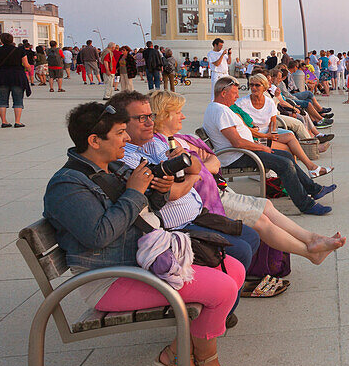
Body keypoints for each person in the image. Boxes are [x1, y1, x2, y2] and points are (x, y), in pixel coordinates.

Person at [45, 101, 242, 366]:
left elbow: (143, 211)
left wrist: (158, 192)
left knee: (233, 268)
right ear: (94, 141)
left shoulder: (112, 167)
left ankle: (177, 351)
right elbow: (98, 236)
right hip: (110, 278)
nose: (127, 139)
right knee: (223, 288)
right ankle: (200, 356)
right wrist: (135, 192)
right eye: (121, 133)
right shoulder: (68, 185)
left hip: (140, 261)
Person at [150, 90, 345, 265]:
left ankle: (312, 236)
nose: (183, 116)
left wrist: (204, 165)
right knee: (263, 216)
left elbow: (212, 162)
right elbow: (212, 161)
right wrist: (205, 165)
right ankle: (310, 248)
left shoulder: (181, 139)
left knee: (269, 197)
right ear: (164, 115)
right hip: (226, 171)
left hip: (220, 180)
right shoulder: (168, 146)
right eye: (178, 112)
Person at [108, 91, 261, 272]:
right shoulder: (126, 158)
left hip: (198, 216)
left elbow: (194, 166)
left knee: (251, 236)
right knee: (241, 250)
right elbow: (171, 192)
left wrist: (190, 166)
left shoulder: (155, 143)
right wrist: (192, 176)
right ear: (121, 124)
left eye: (151, 116)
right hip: (175, 229)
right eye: (142, 118)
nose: (150, 122)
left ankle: (231, 282)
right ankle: (221, 288)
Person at [203, 77, 334, 215]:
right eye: (234, 93)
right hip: (237, 155)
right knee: (284, 164)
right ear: (223, 93)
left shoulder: (217, 108)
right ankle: (306, 205)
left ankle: (314, 189)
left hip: (242, 152)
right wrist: (261, 147)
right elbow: (238, 142)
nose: (237, 96)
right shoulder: (221, 112)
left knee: (287, 155)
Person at [236, 73, 331, 177]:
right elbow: (241, 126)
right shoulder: (242, 103)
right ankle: (303, 172)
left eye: (257, 85)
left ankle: (309, 169)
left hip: (267, 132)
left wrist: (272, 133)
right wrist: (267, 136)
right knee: (289, 149)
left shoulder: (269, 102)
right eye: (251, 85)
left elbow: (273, 122)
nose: (253, 87)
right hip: (254, 135)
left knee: (290, 135)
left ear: (264, 87)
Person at [0, 32, 31, 128]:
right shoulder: (20, 50)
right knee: (18, 100)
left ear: (1, 40)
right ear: (12, 40)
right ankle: (17, 122)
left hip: (2, 77)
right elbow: (26, 64)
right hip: (17, 76)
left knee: (2, 100)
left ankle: (4, 121)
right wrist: (28, 69)